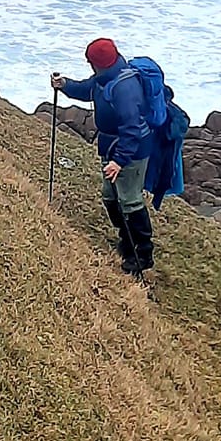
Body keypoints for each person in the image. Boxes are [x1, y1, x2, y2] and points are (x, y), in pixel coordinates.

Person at [50, 38, 156, 278]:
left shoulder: (124, 87)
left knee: (129, 200)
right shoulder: (105, 77)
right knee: (110, 196)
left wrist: (119, 161)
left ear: (95, 63)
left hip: (131, 152)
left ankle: (142, 253)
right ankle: (125, 239)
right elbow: (87, 89)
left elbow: (133, 128)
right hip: (112, 148)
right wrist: (64, 85)